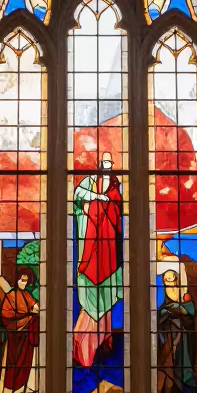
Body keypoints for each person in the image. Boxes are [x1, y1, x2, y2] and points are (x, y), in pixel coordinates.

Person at [72, 152, 123, 367]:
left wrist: (105, 203)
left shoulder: (114, 185)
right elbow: (78, 197)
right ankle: (85, 350)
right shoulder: (88, 181)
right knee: (90, 299)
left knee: (106, 297)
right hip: (89, 251)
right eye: (105, 163)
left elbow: (116, 209)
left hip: (109, 253)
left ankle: (103, 342)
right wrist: (95, 199)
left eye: (110, 164)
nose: (107, 167)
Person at [0, 267, 40, 393]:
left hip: (26, 344)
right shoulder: (11, 296)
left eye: (26, 280)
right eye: (21, 279)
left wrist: (35, 310)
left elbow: (36, 307)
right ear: (17, 279)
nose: (23, 283)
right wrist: (28, 315)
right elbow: (7, 316)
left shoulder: (27, 295)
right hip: (14, 345)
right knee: (14, 380)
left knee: (24, 381)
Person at [157, 269, 197, 393]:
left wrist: (177, 311)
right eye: (167, 280)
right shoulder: (162, 299)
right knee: (170, 378)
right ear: (164, 282)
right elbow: (160, 315)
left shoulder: (184, 296)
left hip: (182, 346)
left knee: (182, 376)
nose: (170, 283)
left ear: (177, 280)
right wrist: (169, 312)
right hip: (169, 345)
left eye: (172, 279)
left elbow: (189, 314)